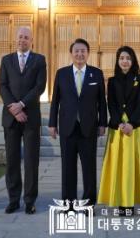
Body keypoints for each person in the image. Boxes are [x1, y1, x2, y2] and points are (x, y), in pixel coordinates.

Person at [48, 38, 107, 207]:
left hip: (89, 128)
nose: (80, 54)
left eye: (83, 51)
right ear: (71, 53)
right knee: (68, 168)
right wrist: (52, 124)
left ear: (88, 53)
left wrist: (102, 123)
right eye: (77, 51)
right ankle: (69, 204)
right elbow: (55, 101)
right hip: (68, 127)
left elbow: (102, 101)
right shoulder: (61, 73)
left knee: (89, 168)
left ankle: (89, 204)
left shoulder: (96, 73)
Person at [98, 46, 140, 216]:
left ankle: (129, 203)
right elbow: (111, 104)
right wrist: (119, 123)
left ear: (133, 61)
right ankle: (118, 201)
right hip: (117, 129)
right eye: (122, 58)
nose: (125, 61)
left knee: (131, 167)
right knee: (118, 166)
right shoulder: (112, 81)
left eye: (128, 58)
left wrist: (131, 123)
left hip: (135, 128)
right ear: (117, 61)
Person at [0, 27, 47, 215]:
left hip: (30, 117)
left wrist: (21, 104)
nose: (22, 40)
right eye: (20, 37)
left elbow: (40, 86)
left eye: (26, 37)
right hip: (11, 118)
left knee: (31, 161)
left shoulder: (39, 60)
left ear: (31, 40)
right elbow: (2, 86)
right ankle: (13, 200)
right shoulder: (6, 60)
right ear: (15, 39)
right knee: (12, 160)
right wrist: (14, 108)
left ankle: (29, 200)